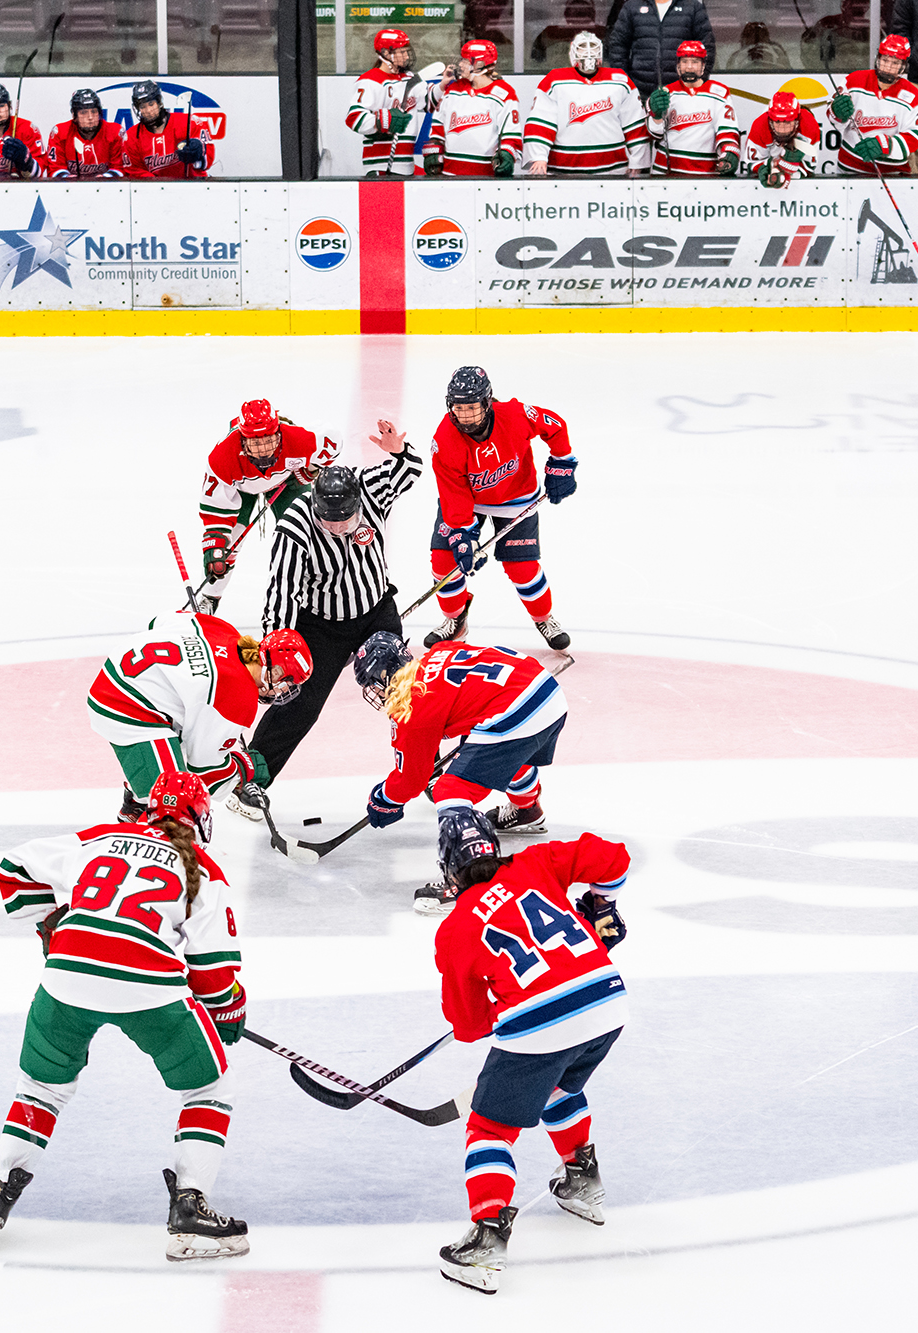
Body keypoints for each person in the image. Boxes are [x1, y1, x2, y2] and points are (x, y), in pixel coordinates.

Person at [0, 771, 252, 1263]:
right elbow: (214, 974)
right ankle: (190, 1205)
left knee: (40, 1089)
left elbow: (14, 866)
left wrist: (52, 926)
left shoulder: (98, 838)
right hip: (150, 988)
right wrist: (229, 1011)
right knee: (210, 1089)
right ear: (201, 821)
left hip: (65, 979)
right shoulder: (203, 868)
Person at [429, 810, 629, 1294]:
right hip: (608, 1003)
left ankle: (486, 1240)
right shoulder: (537, 862)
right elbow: (614, 858)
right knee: (558, 1085)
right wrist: (600, 906)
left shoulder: (455, 930)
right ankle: (581, 1178)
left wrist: (499, 1003)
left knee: (489, 1128)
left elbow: (469, 1027)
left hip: (543, 1025)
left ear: (449, 869)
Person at [226, 422, 421, 820]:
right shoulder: (295, 524)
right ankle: (251, 778)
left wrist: (399, 450)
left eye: (344, 519)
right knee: (301, 704)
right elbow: (282, 590)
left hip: (375, 611)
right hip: (321, 625)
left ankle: (425, 766)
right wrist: (275, 651)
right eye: (328, 520)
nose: (336, 527)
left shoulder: (370, 489)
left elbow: (410, 469)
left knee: (403, 688)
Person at [352, 632, 572, 907]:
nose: (375, 693)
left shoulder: (411, 703)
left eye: (373, 684)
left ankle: (470, 881)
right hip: (546, 693)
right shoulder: (440, 651)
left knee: (450, 789)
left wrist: (384, 799)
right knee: (507, 754)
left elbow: (412, 779)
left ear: (385, 675)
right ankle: (526, 809)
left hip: (515, 709)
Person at [87, 608, 311, 822]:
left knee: (189, 728)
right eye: (287, 683)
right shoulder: (239, 697)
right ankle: (145, 821)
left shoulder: (222, 629)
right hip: (125, 705)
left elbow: (159, 622)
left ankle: (136, 795)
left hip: (122, 670)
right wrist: (243, 769)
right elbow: (205, 772)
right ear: (275, 671)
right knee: (174, 800)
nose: (283, 690)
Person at [423, 366, 575, 653]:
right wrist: (463, 536)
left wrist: (562, 462)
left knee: (522, 568)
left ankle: (544, 619)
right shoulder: (444, 440)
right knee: (445, 561)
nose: (465, 416)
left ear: (487, 402)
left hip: (515, 496)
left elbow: (554, 425)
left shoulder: (514, 415)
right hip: (468, 500)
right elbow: (453, 493)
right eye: (459, 408)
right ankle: (455, 620)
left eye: (472, 407)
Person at [195, 399, 332, 615]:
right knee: (226, 547)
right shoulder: (223, 456)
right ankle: (210, 597)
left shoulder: (296, 438)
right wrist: (215, 544)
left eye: (268, 441)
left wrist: (310, 469)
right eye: (255, 443)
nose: (263, 452)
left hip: (286, 482)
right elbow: (215, 510)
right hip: (241, 488)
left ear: (279, 434)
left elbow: (333, 443)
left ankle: (314, 597)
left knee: (306, 534)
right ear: (242, 440)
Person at [525, 32, 648, 177]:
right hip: (562, 172)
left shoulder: (620, 81)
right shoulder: (554, 81)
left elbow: (635, 123)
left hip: (613, 172)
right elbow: (541, 122)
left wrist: (638, 161)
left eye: (593, 49)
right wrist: (539, 156)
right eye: (583, 49)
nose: (588, 54)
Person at [826, 33, 918, 176]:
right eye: (885, 60)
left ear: (904, 65)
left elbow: (914, 138)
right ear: (877, 58)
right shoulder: (853, 81)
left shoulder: (914, 97)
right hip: (850, 170)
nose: (888, 67)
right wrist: (837, 112)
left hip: (892, 173)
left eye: (895, 63)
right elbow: (833, 118)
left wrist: (885, 145)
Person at [344, 28, 434, 176]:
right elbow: (354, 118)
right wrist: (382, 120)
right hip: (380, 166)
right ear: (386, 53)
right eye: (402, 52)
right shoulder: (370, 80)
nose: (406, 56)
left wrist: (443, 85)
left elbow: (430, 102)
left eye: (407, 51)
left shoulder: (409, 78)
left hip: (406, 165)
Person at [426, 40, 521, 177]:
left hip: (485, 177)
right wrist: (434, 150)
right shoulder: (453, 89)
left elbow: (511, 135)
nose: (461, 64)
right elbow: (438, 127)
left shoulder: (504, 94)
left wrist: (507, 154)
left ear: (480, 64)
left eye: (466, 61)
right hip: (449, 174)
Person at [645, 39, 738, 175]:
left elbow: (727, 131)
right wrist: (657, 116)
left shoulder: (719, 93)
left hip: (705, 174)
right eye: (684, 62)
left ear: (703, 65)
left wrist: (729, 152)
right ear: (678, 65)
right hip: (666, 173)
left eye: (695, 62)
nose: (689, 67)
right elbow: (655, 133)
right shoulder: (665, 94)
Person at [603, 0, 715, 103]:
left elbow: (707, 46)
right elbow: (617, 47)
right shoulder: (632, 6)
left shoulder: (693, 7)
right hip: (640, 93)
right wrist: (626, 83)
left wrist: (698, 80)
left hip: (682, 93)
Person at [120, 80, 212, 179]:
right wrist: (160, 184)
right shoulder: (132, 137)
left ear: (159, 102)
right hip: (155, 188)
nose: (148, 111)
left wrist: (198, 155)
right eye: (142, 107)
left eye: (151, 104)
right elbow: (135, 171)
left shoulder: (188, 123)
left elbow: (207, 161)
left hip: (192, 184)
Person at [743, 88, 819, 187]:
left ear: (797, 120)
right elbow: (752, 164)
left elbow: (810, 167)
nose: (782, 129)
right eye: (778, 122)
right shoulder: (760, 126)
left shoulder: (809, 125)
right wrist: (768, 166)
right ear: (770, 120)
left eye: (787, 122)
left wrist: (791, 166)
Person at [48, 88, 128, 178]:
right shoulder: (60, 133)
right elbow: (55, 169)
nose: (90, 117)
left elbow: (120, 168)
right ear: (74, 115)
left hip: (106, 186)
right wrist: (68, 180)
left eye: (94, 111)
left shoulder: (114, 132)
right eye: (83, 113)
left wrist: (105, 179)